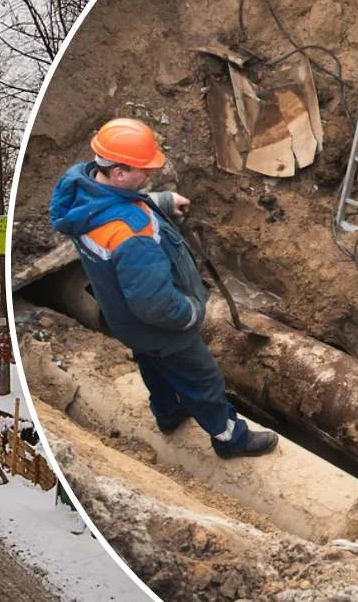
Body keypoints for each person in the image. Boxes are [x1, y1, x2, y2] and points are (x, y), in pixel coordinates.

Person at [49, 118, 278, 458]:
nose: (150, 175)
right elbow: (154, 305)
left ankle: (169, 414)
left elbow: (113, 204)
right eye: (144, 171)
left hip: (126, 321)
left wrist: (159, 201)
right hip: (161, 327)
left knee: (152, 365)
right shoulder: (131, 235)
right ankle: (230, 438)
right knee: (203, 379)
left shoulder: (81, 194)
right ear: (118, 172)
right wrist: (189, 314)